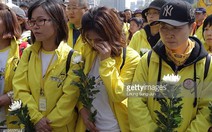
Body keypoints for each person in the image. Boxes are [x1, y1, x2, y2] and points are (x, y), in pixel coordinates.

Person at [128, 1, 212, 131]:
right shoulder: (148, 60)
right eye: (164, 27)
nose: (168, 34)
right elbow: (136, 100)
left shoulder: (207, 64)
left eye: (176, 28)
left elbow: (207, 108)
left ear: (192, 27)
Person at [13, 0, 79, 131]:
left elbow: (69, 99)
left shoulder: (73, 58)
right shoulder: (28, 53)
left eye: (41, 20)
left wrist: (45, 125)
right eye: (32, 21)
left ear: (57, 22)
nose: (35, 26)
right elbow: (19, 88)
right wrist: (36, 118)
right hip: (30, 124)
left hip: (60, 127)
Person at [74, 6, 140, 132]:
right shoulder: (87, 51)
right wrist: (82, 109)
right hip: (88, 127)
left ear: (112, 34)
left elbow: (118, 94)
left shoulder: (131, 58)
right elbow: (77, 86)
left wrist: (106, 61)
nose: (94, 44)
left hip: (115, 127)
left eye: (99, 40)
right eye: (90, 39)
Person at [0, 3, 21, 128]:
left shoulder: (23, 50)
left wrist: (9, 96)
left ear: (7, 22)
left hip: (14, 122)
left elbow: (30, 84)